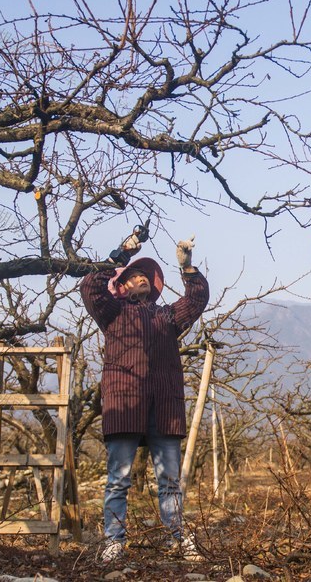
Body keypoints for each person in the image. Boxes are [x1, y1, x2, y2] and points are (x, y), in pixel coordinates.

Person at [80, 234, 209, 564]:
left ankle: (174, 537)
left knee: (169, 481)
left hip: (164, 405)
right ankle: (114, 541)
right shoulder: (112, 313)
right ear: (122, 285)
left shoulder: (165, 317)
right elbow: (92, 287)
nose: (140, 278)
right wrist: (121, 253)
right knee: (118, 479)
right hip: (124, 404)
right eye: (132, 275)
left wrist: (187, 267)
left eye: (144, 276)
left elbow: (196, 301)